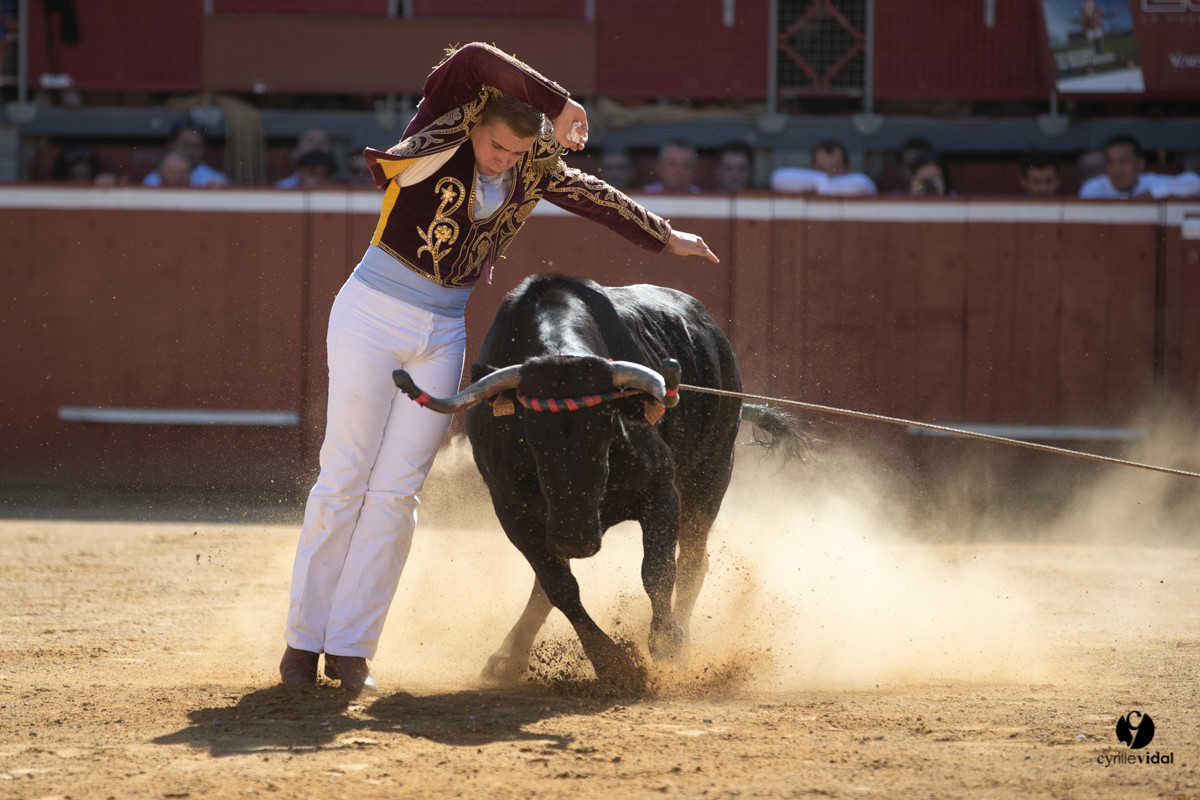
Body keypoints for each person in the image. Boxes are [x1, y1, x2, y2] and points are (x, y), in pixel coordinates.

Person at [279, 41, 719, 694]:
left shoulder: (530, 167)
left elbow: (591, 195)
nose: (503, 162)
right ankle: (300, 645)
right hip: (371, 314)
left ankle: (349, 649)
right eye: (496, 149)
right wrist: (559, 100)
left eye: (515, 155)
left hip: (441, 334)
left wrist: (664, 235)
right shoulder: (439, 129)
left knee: (397, 494)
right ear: (475, 122)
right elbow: (475, 57)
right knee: (344, 476)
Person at [1078, 134, 1200, 199]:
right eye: (1111, 162)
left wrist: (1151, 195)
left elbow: (1195, 183)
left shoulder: (1151, 181)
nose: (1117, 170)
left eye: (1124, 161)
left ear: (1140, 164)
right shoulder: (1094, 187)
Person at [770, 139, 876, 196]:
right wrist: (819, 182)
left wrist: (820, 186)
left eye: (834, 169)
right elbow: (778, 178)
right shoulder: (814, 181)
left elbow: (862, 184)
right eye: (820, 169)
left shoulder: (858, 184)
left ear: (847, 169)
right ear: (811, 168)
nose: (827, 174)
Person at [142, 122, 230, 188]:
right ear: (171, 145)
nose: (190, 151)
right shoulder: (152, 180)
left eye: (195, 146)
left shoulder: (216, 179)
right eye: (185, 145)